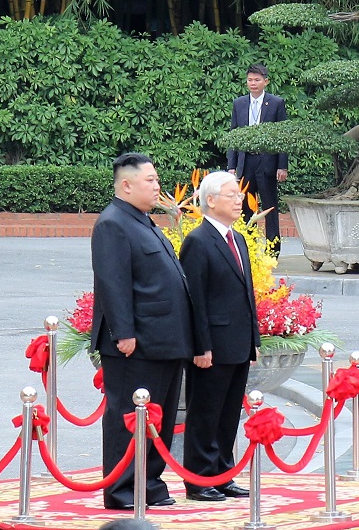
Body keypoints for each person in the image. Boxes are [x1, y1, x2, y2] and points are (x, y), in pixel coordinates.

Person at [91, 153, 194, 510]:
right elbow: (113, 282)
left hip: (164, 340)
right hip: (135, 343)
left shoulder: (143, 221)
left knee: (157, 420)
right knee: (128, 418)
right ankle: (122, 491)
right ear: (126, 185)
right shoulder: (113, 223)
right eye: (150, 180)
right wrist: (123, 333)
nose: (157, 186)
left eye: (156, 179)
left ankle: (149, 484)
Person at [179, 172, 259, 502]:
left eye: (238, 195)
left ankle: (223, 474)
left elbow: (246, 293)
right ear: (210, 200)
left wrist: (253, 338)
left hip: (238, 342)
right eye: (231, 195)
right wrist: (201, 346)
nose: (239, 201)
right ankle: (199, 479)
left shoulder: (236, 238)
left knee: (228, 415)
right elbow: (194, 299)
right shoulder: (198, 241)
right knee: (205, 413)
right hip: (212, 345)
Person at [227, 64, 288, 254]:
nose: (253, 83)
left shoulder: (276, 103)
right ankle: (249, 249)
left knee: (270, 207)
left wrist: (282, 166)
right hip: (246, 163)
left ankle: (273, 250)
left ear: (265, 81)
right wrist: (231, 166)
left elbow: (282, 136)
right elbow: (234, 135)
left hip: (267, 162)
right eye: (250, 80)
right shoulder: (239, 103)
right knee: (245, 207)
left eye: (257, 80)